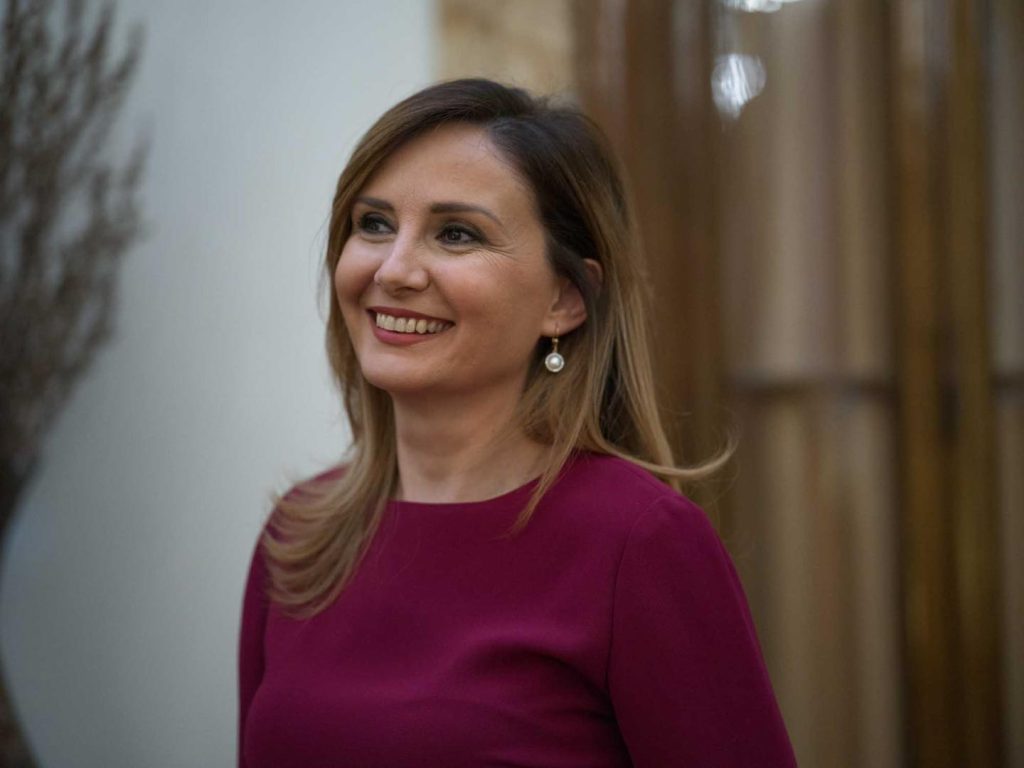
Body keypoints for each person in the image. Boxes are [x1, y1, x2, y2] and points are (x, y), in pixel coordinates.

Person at [238, 78, 797, 768]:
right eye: (373, 224)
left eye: (456, 233)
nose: (394, 269)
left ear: (565, 299)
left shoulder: (640, 544)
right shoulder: (298, 535)